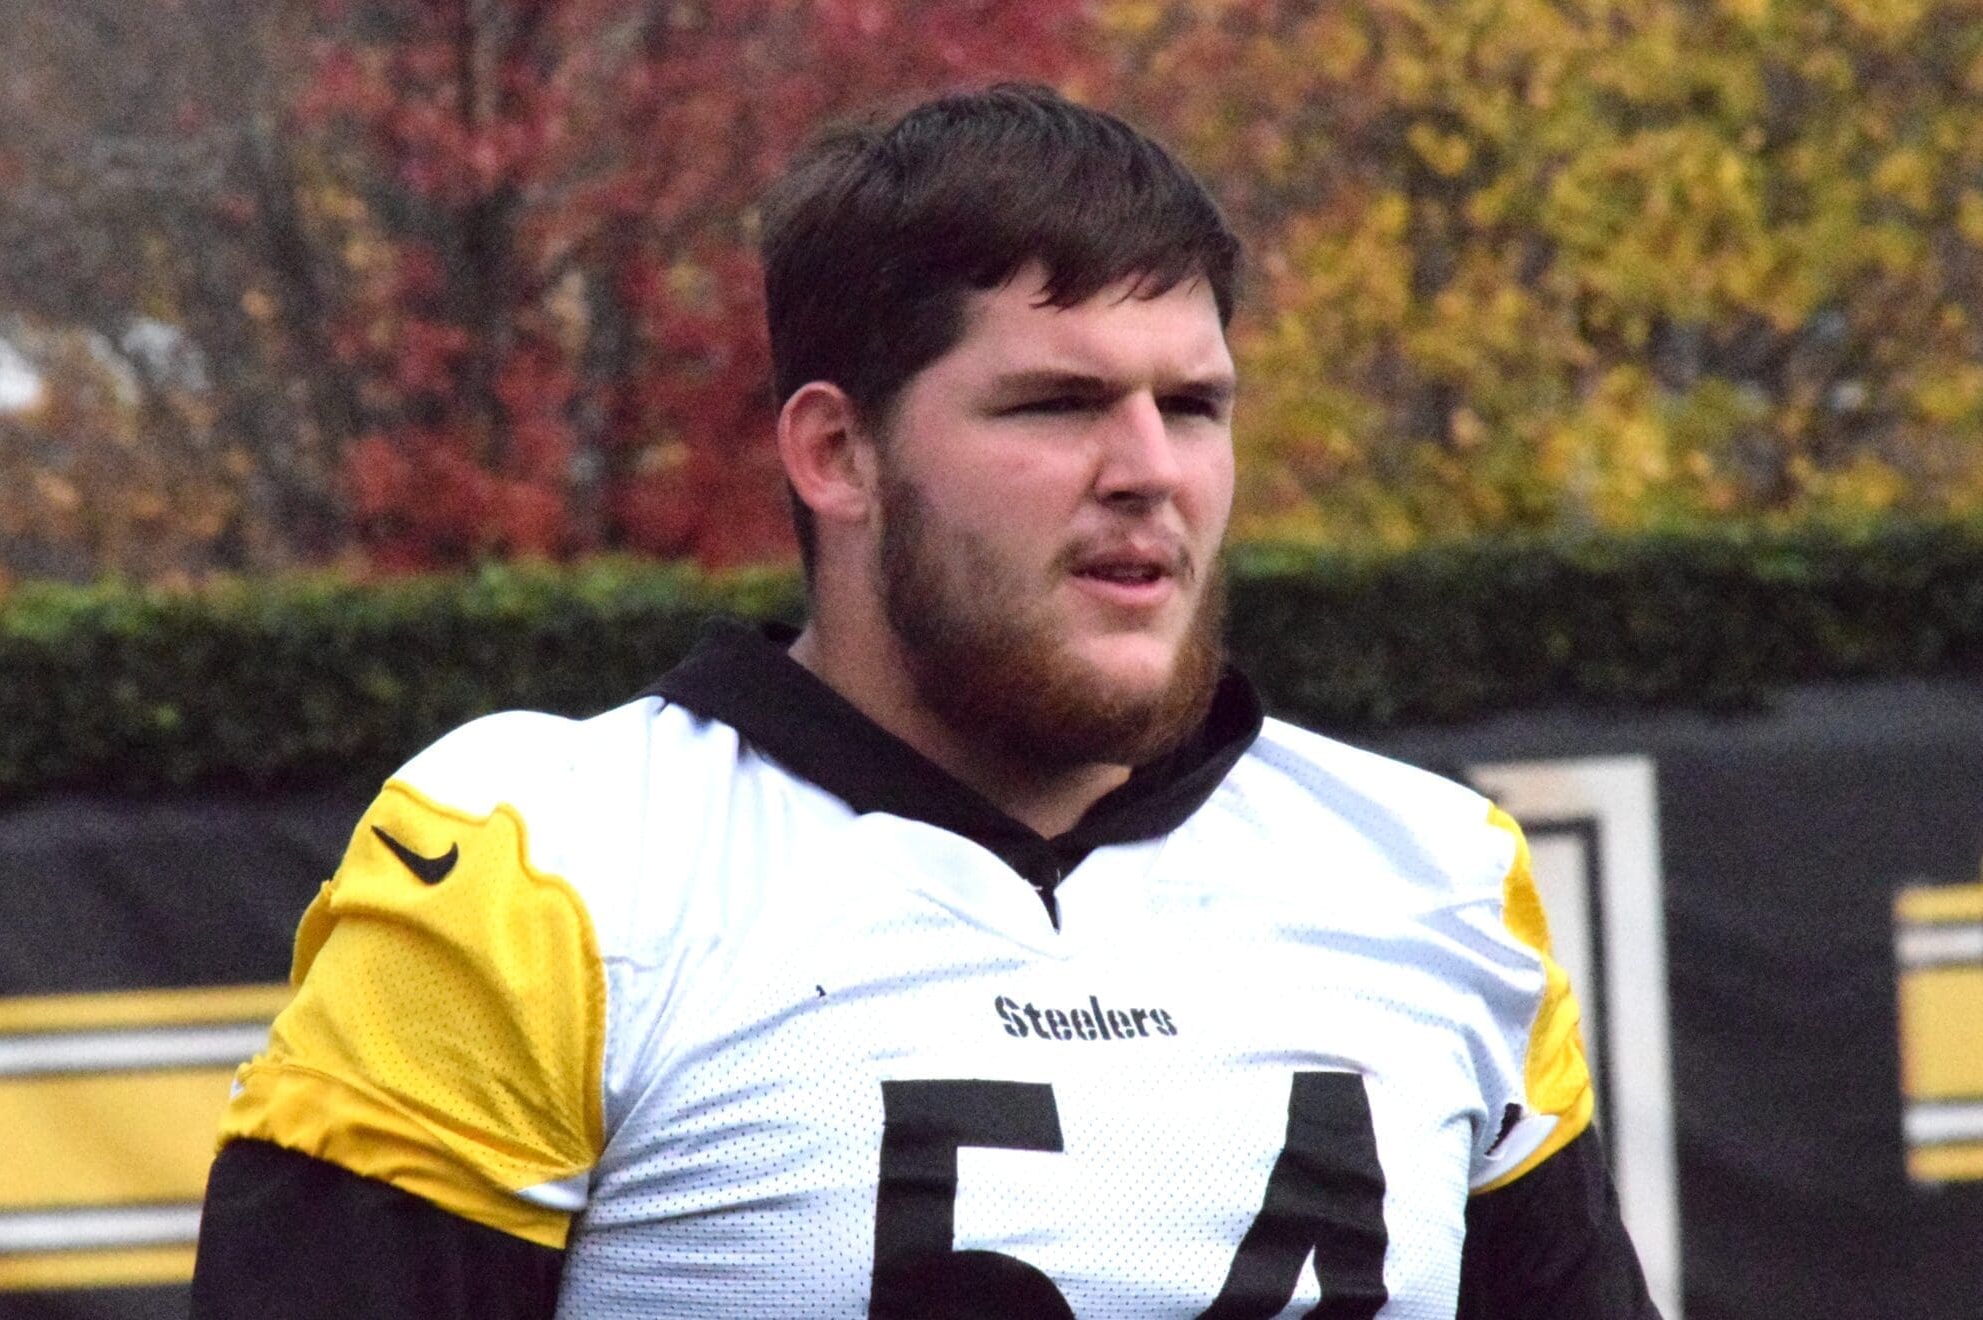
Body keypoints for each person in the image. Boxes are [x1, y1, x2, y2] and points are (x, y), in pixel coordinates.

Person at [191, 84, 1660, 1319]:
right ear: (837, 454)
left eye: (1194, 405)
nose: (1151, 468)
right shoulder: (550, 872)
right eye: (1057, 404)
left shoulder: (1434, 874)